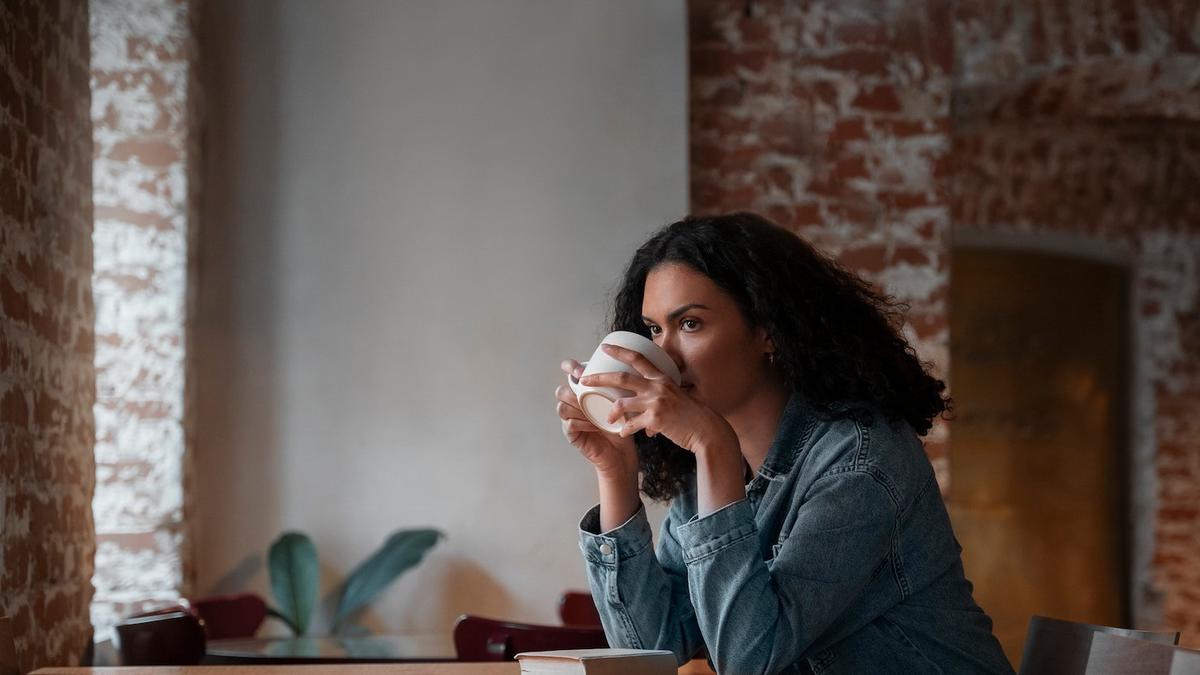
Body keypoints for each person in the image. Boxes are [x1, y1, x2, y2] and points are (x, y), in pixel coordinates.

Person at [553, 213, 1014, 674]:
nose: (664, 354)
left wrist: (713, 447)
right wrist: (615, 473)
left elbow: (749, 660)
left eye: (690, 324)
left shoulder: (860, 461)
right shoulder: (709, 471)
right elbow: (652, 649)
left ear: (767, 330)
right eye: (654, 330)